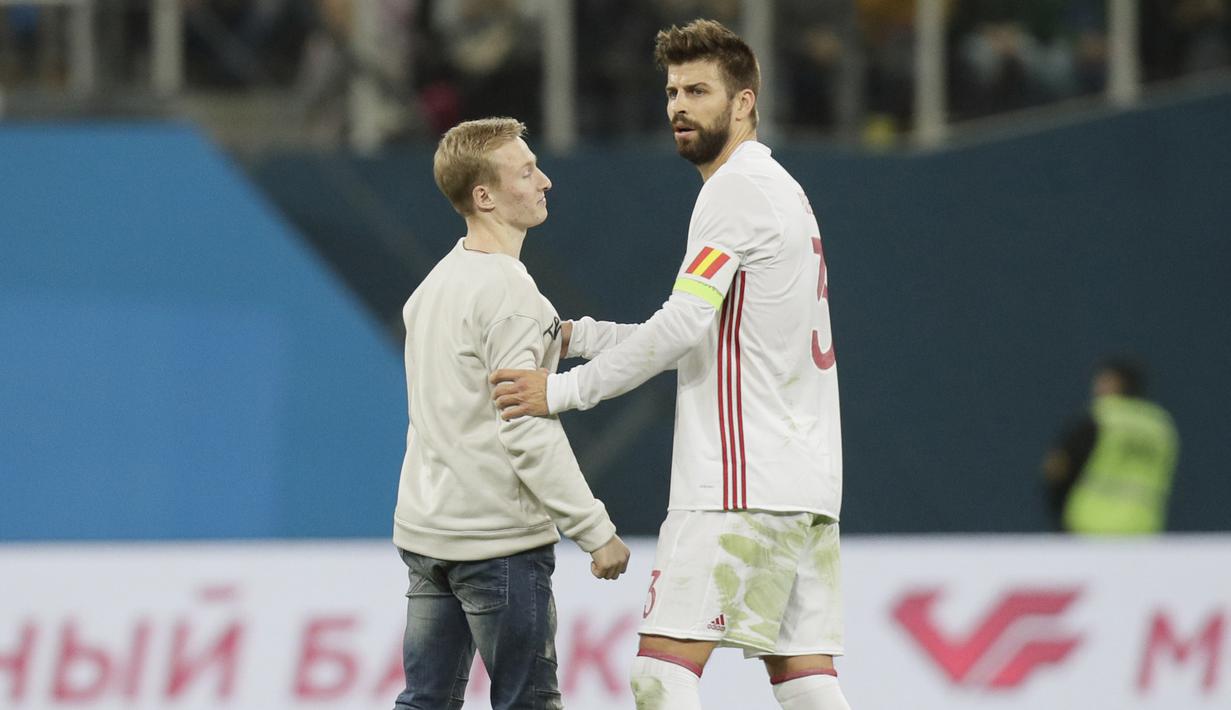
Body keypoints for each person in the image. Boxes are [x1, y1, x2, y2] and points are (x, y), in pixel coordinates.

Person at [492, 20, 852, 710]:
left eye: (698, 91)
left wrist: (561, 392)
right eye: (671, 92)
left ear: (743, 102)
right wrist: (585, 337)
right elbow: (710, 337)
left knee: (661, 674)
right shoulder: (780, 189)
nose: (679, 107)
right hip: (801, 482)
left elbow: (683, 326)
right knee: (804, 678)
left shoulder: (733, 191)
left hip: (737, 484)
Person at [392, 117, 631, 710]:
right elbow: (527, 429)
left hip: (429, 534)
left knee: (425, 701)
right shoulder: (510, 295)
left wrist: (653, 339)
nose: (544, 181)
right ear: (485, 197)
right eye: (526, 172)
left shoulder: (436, 285)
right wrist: (595, 531)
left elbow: (546, 338)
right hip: (495, 543)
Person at [1042, 357, 1180, 535]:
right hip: (1142, 528)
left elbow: (1057, 467)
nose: (1097, 387)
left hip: (1089, 525)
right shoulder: (1160, 427)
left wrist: (1056, 506)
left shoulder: (1101, 417)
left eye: (1103, 381)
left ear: (1117, 383)